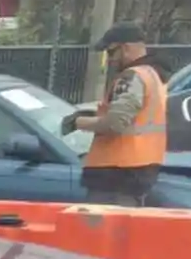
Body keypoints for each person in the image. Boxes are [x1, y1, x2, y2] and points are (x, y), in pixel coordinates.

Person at [68, 21, 167, 206]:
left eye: (111, 52)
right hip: (136, 170)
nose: (110, 58)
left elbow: (115, 123)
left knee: (102, 232)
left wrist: (79, 123)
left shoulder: (132, 77)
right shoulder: (153, 74)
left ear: (126, 48)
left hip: (116, 175)